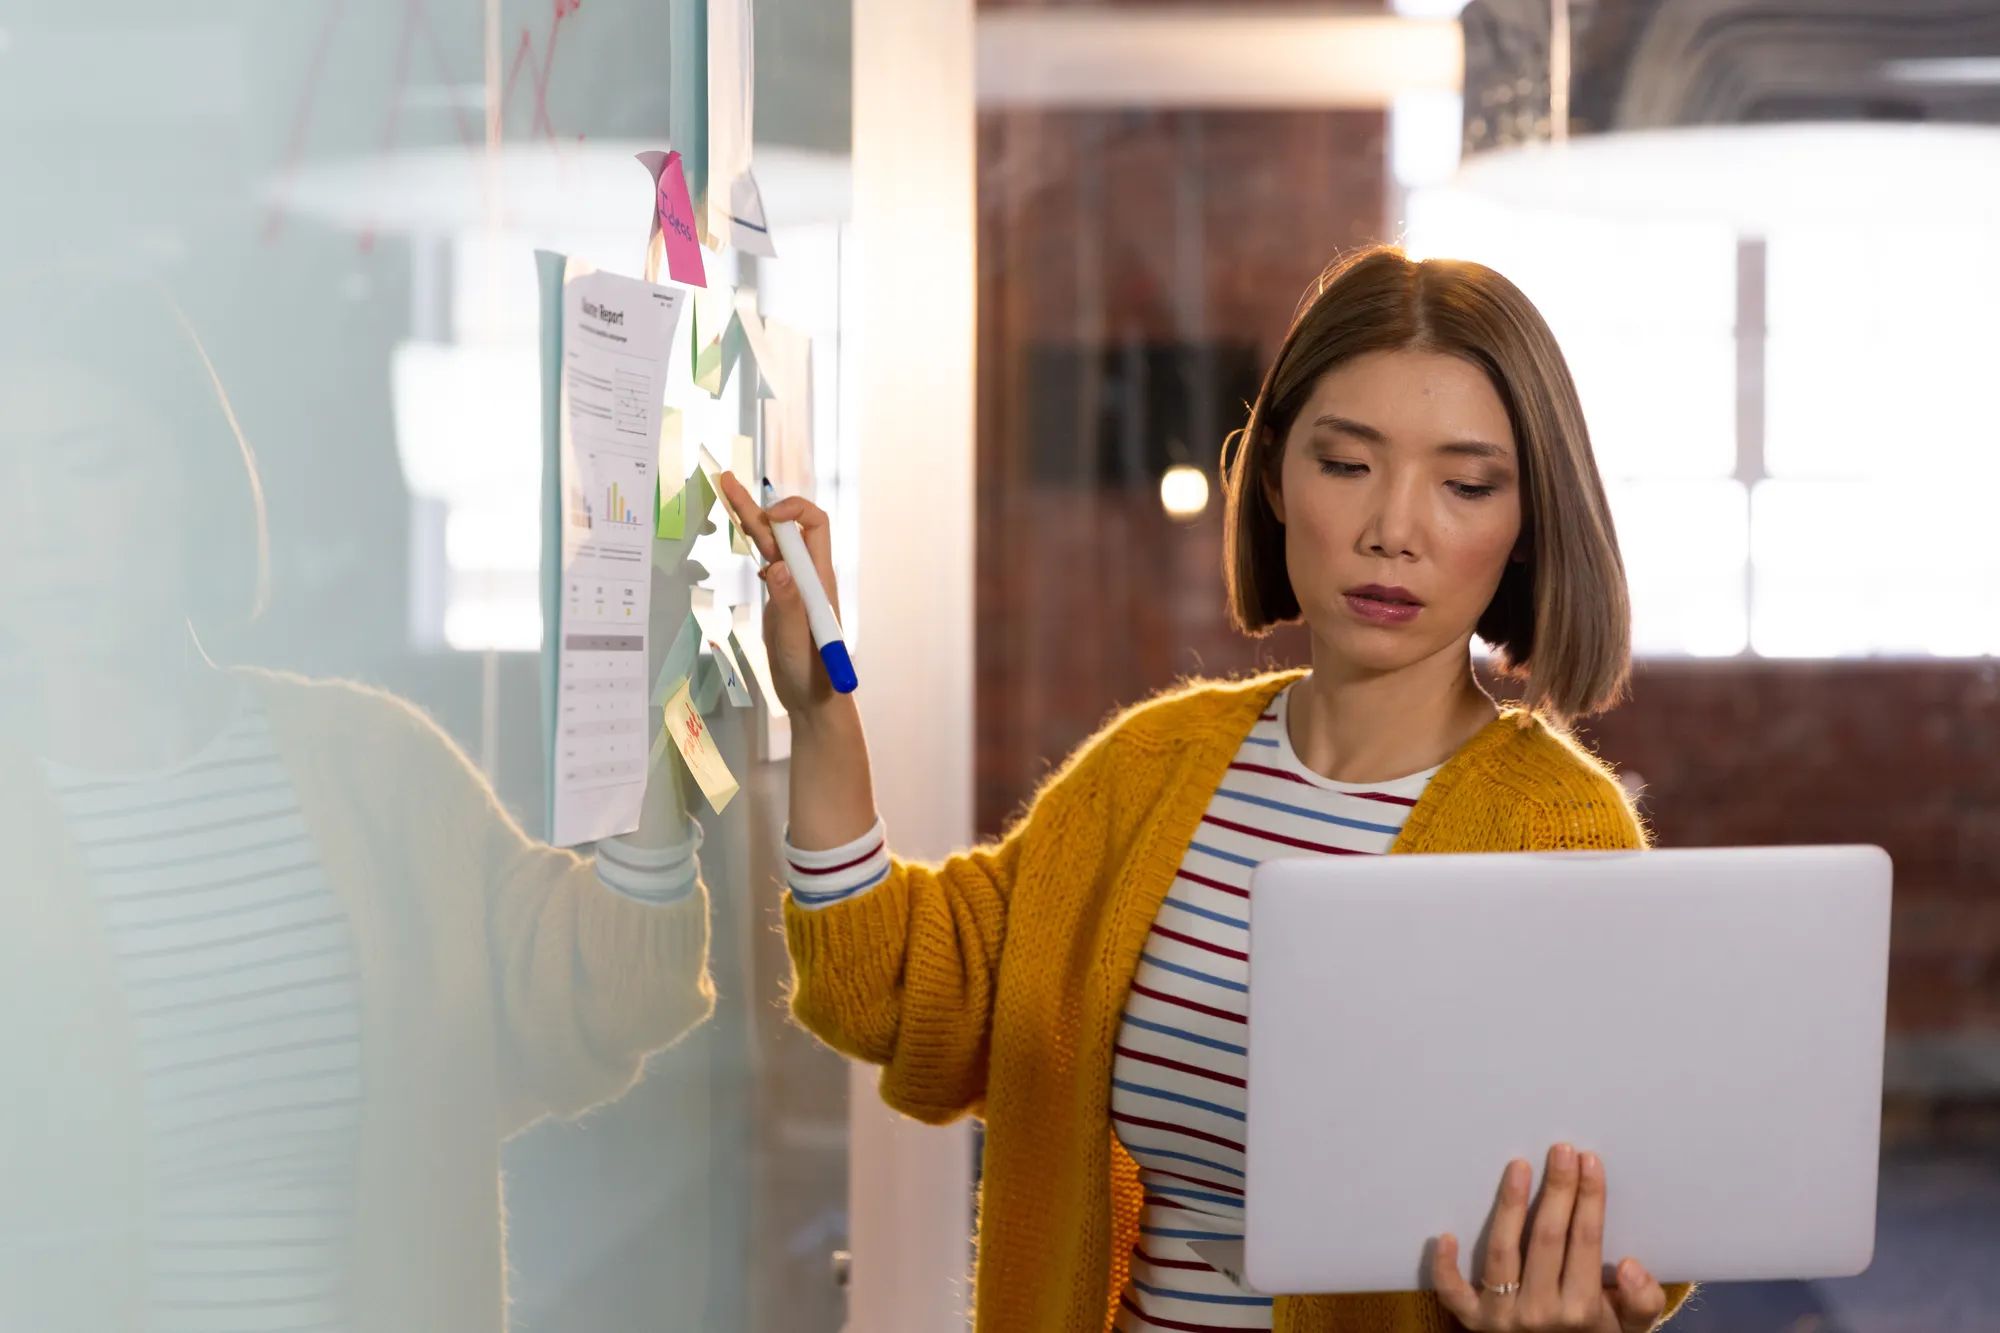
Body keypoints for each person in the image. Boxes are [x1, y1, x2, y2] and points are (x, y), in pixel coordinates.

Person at [722, 245, 1699, 1333]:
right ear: (1276, 474)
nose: (1393, 529)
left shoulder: (1558, 833)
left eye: (1465, 485)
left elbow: (1629, 1207)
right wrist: (818, 710)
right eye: (1345, 465)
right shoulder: (1153, 769)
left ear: (1524, 526)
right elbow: (890, 986)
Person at [0, 274, 713, 1333]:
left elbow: (611, 987)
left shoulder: (366, 767)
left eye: (90, 464)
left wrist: (657, 672)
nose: (41, 526)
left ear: (192, 478)